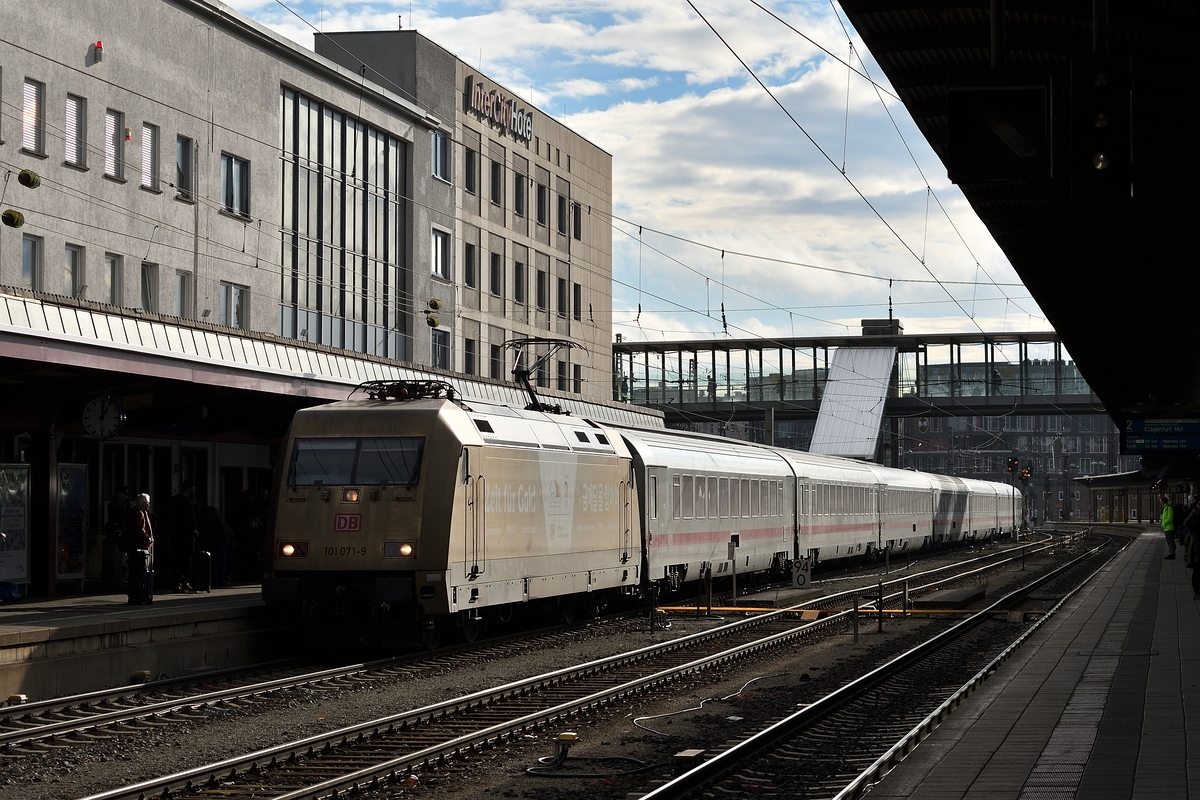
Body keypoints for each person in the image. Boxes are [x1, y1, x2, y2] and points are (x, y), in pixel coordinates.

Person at [168, 480, 198, 592]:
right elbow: (182, 519)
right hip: (182, 535)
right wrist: (192, 529)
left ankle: (184, 581)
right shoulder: (181, 502)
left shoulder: (181, 501)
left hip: (185, 535)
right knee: (180, 560)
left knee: (185, 560)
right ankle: (178, 582)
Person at [196, 503, 234, 588]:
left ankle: (215, 580)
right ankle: (220, 580)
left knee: (216, 560)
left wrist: (201, 537)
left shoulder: (206, 513)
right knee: (222, 559)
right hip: (225, 535)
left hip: (218, 537)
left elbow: (207, 527)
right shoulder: (212, 510)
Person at [126, 493, 154, 604]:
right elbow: (140, 529)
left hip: (134, 547)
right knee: (139, 572)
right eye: (147, 503)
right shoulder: (139, 514)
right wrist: (148, 539)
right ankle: (139, 596)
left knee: (134, 573)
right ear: (143, 504)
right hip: (139, 548)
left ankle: (134, 596)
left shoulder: (134, 513)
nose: (149, 506)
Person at [1160, 494, 1177, 560]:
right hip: (1166, 528)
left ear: (1164, 502)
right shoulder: (1165, 508)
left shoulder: (1169, 508)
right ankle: (1171, 553)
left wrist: (1164, 523)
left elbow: (1170, 518)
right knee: (1169, 541)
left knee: (1170, 541)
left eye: (1161, 501)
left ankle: (1172, 554)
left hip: (1169, 527)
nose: (1160, 502)